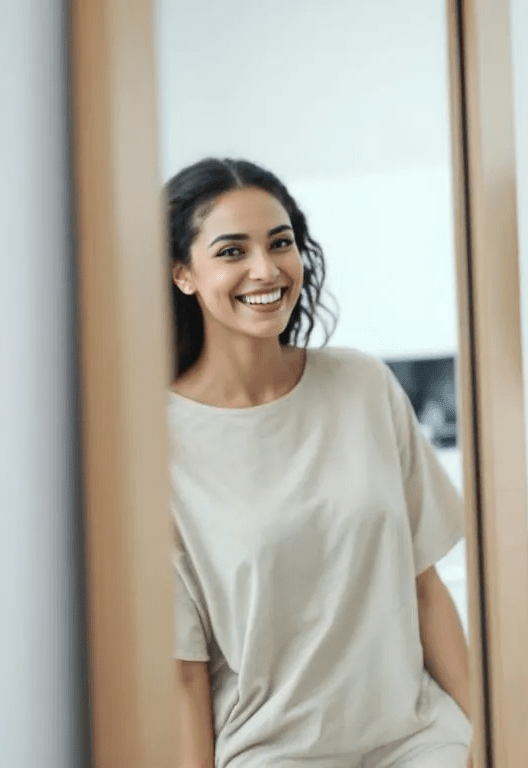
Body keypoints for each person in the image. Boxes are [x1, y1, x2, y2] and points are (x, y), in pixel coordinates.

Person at [166, 158, 473, 768]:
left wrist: (492, 730)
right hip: (271, 752)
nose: (265, 269)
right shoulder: (156, 446)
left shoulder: (362, 385)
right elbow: (183, 671)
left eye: (280, 243)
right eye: (232, 251)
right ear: (183, 274)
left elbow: (424, 586)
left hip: (418, 738)